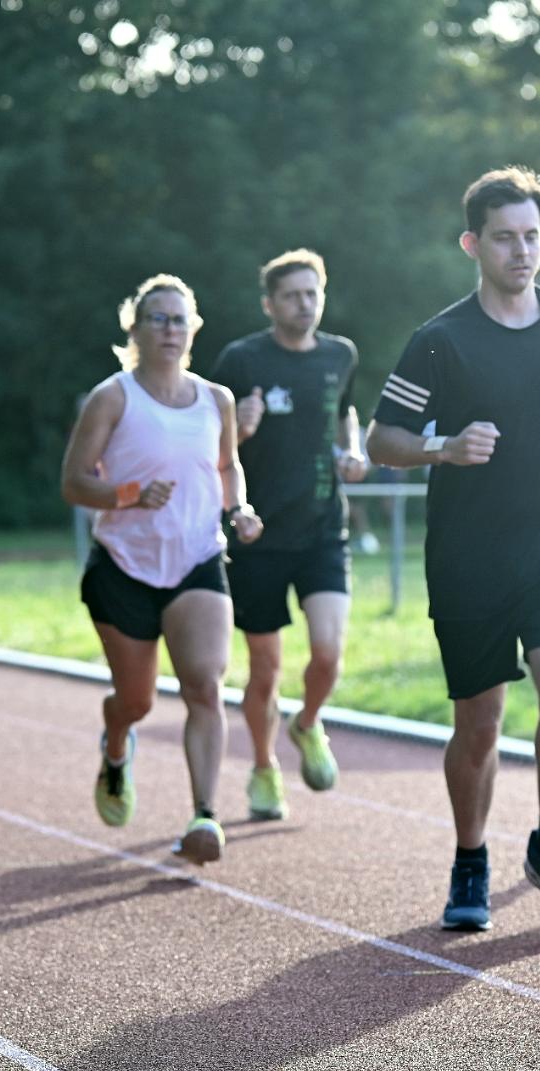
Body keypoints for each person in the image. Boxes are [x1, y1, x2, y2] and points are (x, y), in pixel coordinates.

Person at [367, 166, 540, 933]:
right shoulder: (440, 341)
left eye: (532, 236)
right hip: (470, 556)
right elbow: (382, 439)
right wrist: (442, 446)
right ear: (473, 244)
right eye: (505, 238)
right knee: (479, 721)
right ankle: (470, 857)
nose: (522, 251)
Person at [62, 274, 263, 865]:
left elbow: (227, 466)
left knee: (204, 685)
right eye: (158, 319)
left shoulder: (217, 400)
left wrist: (239, 510)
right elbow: (73, 482)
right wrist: (127, 494)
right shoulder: (113, 397)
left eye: (179, 320)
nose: (170, 330)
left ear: (192, 329)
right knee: (137, 701)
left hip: (198, 558)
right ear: (135, 329)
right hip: (124, 567)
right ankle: (116, 742)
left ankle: (205, 815)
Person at [211, 249, 362, 821]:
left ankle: (307, 723)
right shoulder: (241, 359)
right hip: (258, 536)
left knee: (329, 653)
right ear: (269, 304)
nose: (305, 304)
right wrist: (241, 431)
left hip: (323, 528)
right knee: (266, 668)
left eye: (312, 293)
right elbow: (208, 441)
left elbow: (345, 413)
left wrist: (352, 450)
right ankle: (263, 767)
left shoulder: (340, 354)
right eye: (293, 295)